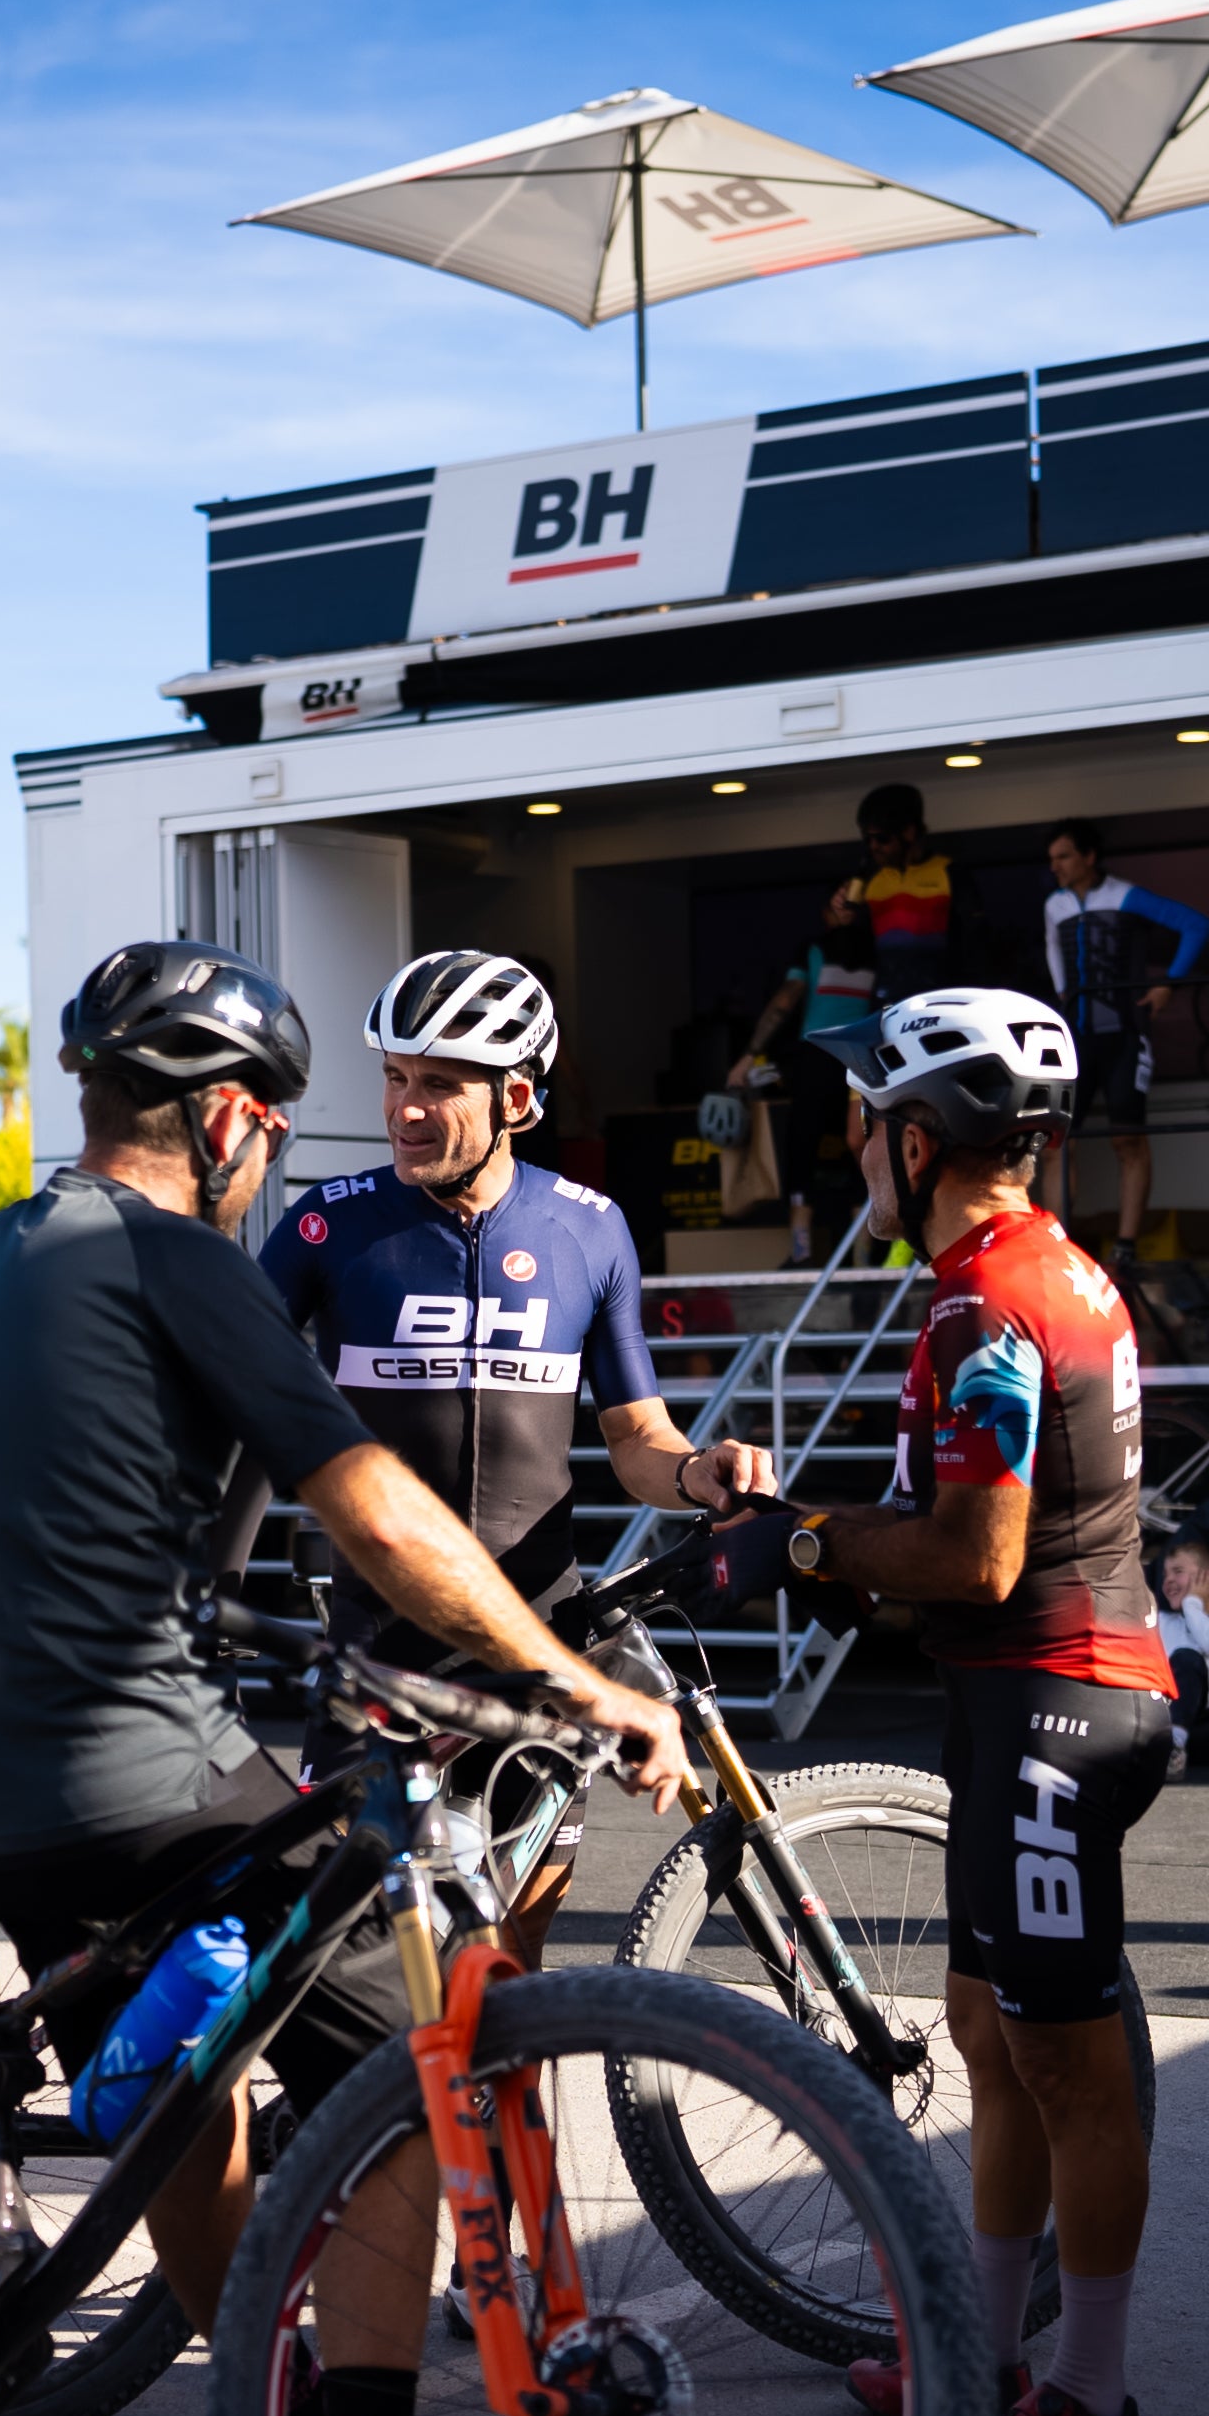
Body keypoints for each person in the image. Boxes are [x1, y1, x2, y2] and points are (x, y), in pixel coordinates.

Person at [0, 936, 695, 2416]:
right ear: (229, 1120)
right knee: (396, 2085)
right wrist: (582, 1678)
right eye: (282, 1128)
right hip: (135, 1772)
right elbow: (374, 1511)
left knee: (179, 2085)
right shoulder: (178, 1257)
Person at [792, 989, 1174, 2416]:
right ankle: (981, 2343)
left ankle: (1092, 2390)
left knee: (1072, 2078)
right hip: (1026, 1706)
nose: (848, 1150)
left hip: (1053, 1716)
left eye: (861, 1121)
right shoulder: (1036, 1267)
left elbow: (980, 1554)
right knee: (989, 2043)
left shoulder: (985, 1302)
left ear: (918, 1135)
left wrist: (808, 1546)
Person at [262, 949, 773, 1964]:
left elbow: (635, 1439)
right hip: (381, 1649)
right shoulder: (328, 1222)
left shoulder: (590, 1228)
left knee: (516, 1966)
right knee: (367, 1969)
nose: (404, 1107)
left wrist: (696, 1474)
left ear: (518, 1097)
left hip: (542, 1645)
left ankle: (506, 2131)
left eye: (438, 1085)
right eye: (394, 1078)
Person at [1035, 820, 1209, 1260]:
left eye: (1064, 856)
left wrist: (1169, 983)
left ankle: (1127, 1245)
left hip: (1125, 1034)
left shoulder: (1125, 895)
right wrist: (1062, 996)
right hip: (1075, 1038)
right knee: (1058, 1142)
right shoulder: (1053, 905)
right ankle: (1060, 1245)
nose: (1055, 866)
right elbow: (1054, 951)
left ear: (1089, 857)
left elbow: (1196, 924)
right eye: (1052, 857)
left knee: (1126, 1139)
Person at [738, 879, 882, 1265]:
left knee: (801, 1150)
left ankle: (800, 1256)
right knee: (861, 1151)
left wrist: (750, 1055)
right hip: (860, 1057)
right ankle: (863, 1259)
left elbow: (785, 1002)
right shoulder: (878, 952)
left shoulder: (813, 948)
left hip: (817, 1056)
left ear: (826, 913)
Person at [856, 783, 957, 1000]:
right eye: (868, 839)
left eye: (882, 838)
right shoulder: (868, 881)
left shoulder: (949, 872)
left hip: (941, 998)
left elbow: (973, 945)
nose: (873, 846)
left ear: (909, 833)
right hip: (887, 1002)